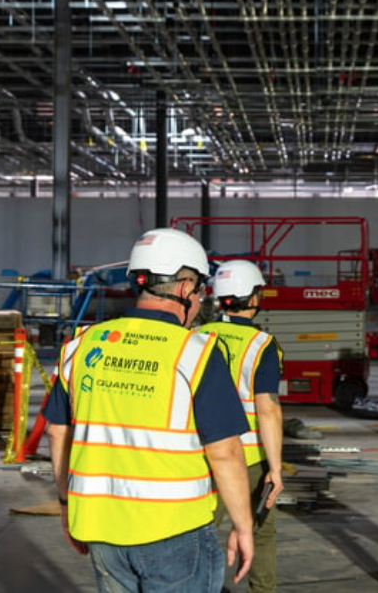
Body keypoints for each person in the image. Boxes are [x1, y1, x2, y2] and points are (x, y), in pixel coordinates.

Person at [43, 227, 255, 593]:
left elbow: (56, 433)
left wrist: (66, 506)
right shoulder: (196, 352)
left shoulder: (81, 346)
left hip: (100, 528)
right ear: (185, 288)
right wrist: (243, 526)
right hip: (174, 529)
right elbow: (225, 453)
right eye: (200, 288)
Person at [196, 260, 284, 593]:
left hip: (200, 452)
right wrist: (275, 468)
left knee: (198, 532)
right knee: (259, 533)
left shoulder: (197, 336)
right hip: (247, 458)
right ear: (253, 297)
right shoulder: (262, 345)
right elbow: (268, 409)